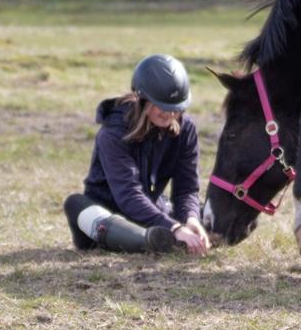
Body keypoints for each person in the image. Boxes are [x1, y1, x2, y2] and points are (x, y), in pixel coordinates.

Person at [63, 54, 211, 256]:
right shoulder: (113, 133)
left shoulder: (186, 130)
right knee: (75, 203)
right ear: (143, 100)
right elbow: (129, 194)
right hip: (108, 213)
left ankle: (170, 238)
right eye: (163, 106)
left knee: (214, 214)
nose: (170, 114)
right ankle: (149, 241)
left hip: (152, 212)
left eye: (176, 108)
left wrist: (191, 219)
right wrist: (175, 228)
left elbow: (186, 189)